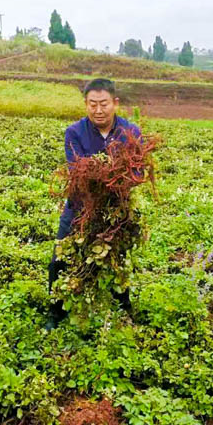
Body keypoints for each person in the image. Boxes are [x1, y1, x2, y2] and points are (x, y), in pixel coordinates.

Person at [47, 78, 141, 327]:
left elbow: (137, 174)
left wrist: (115, 176)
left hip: (115, 211)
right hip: (79, 208)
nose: (98, 110)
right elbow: (78, 172)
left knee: (118, 260)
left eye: (104, 104)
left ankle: (123, 311)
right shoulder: (74, 132)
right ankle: (55, 314)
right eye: (93, 104)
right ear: (85, 104)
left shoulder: (131, 133)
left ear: (115, 103)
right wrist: (113, 172)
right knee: (60, 259)